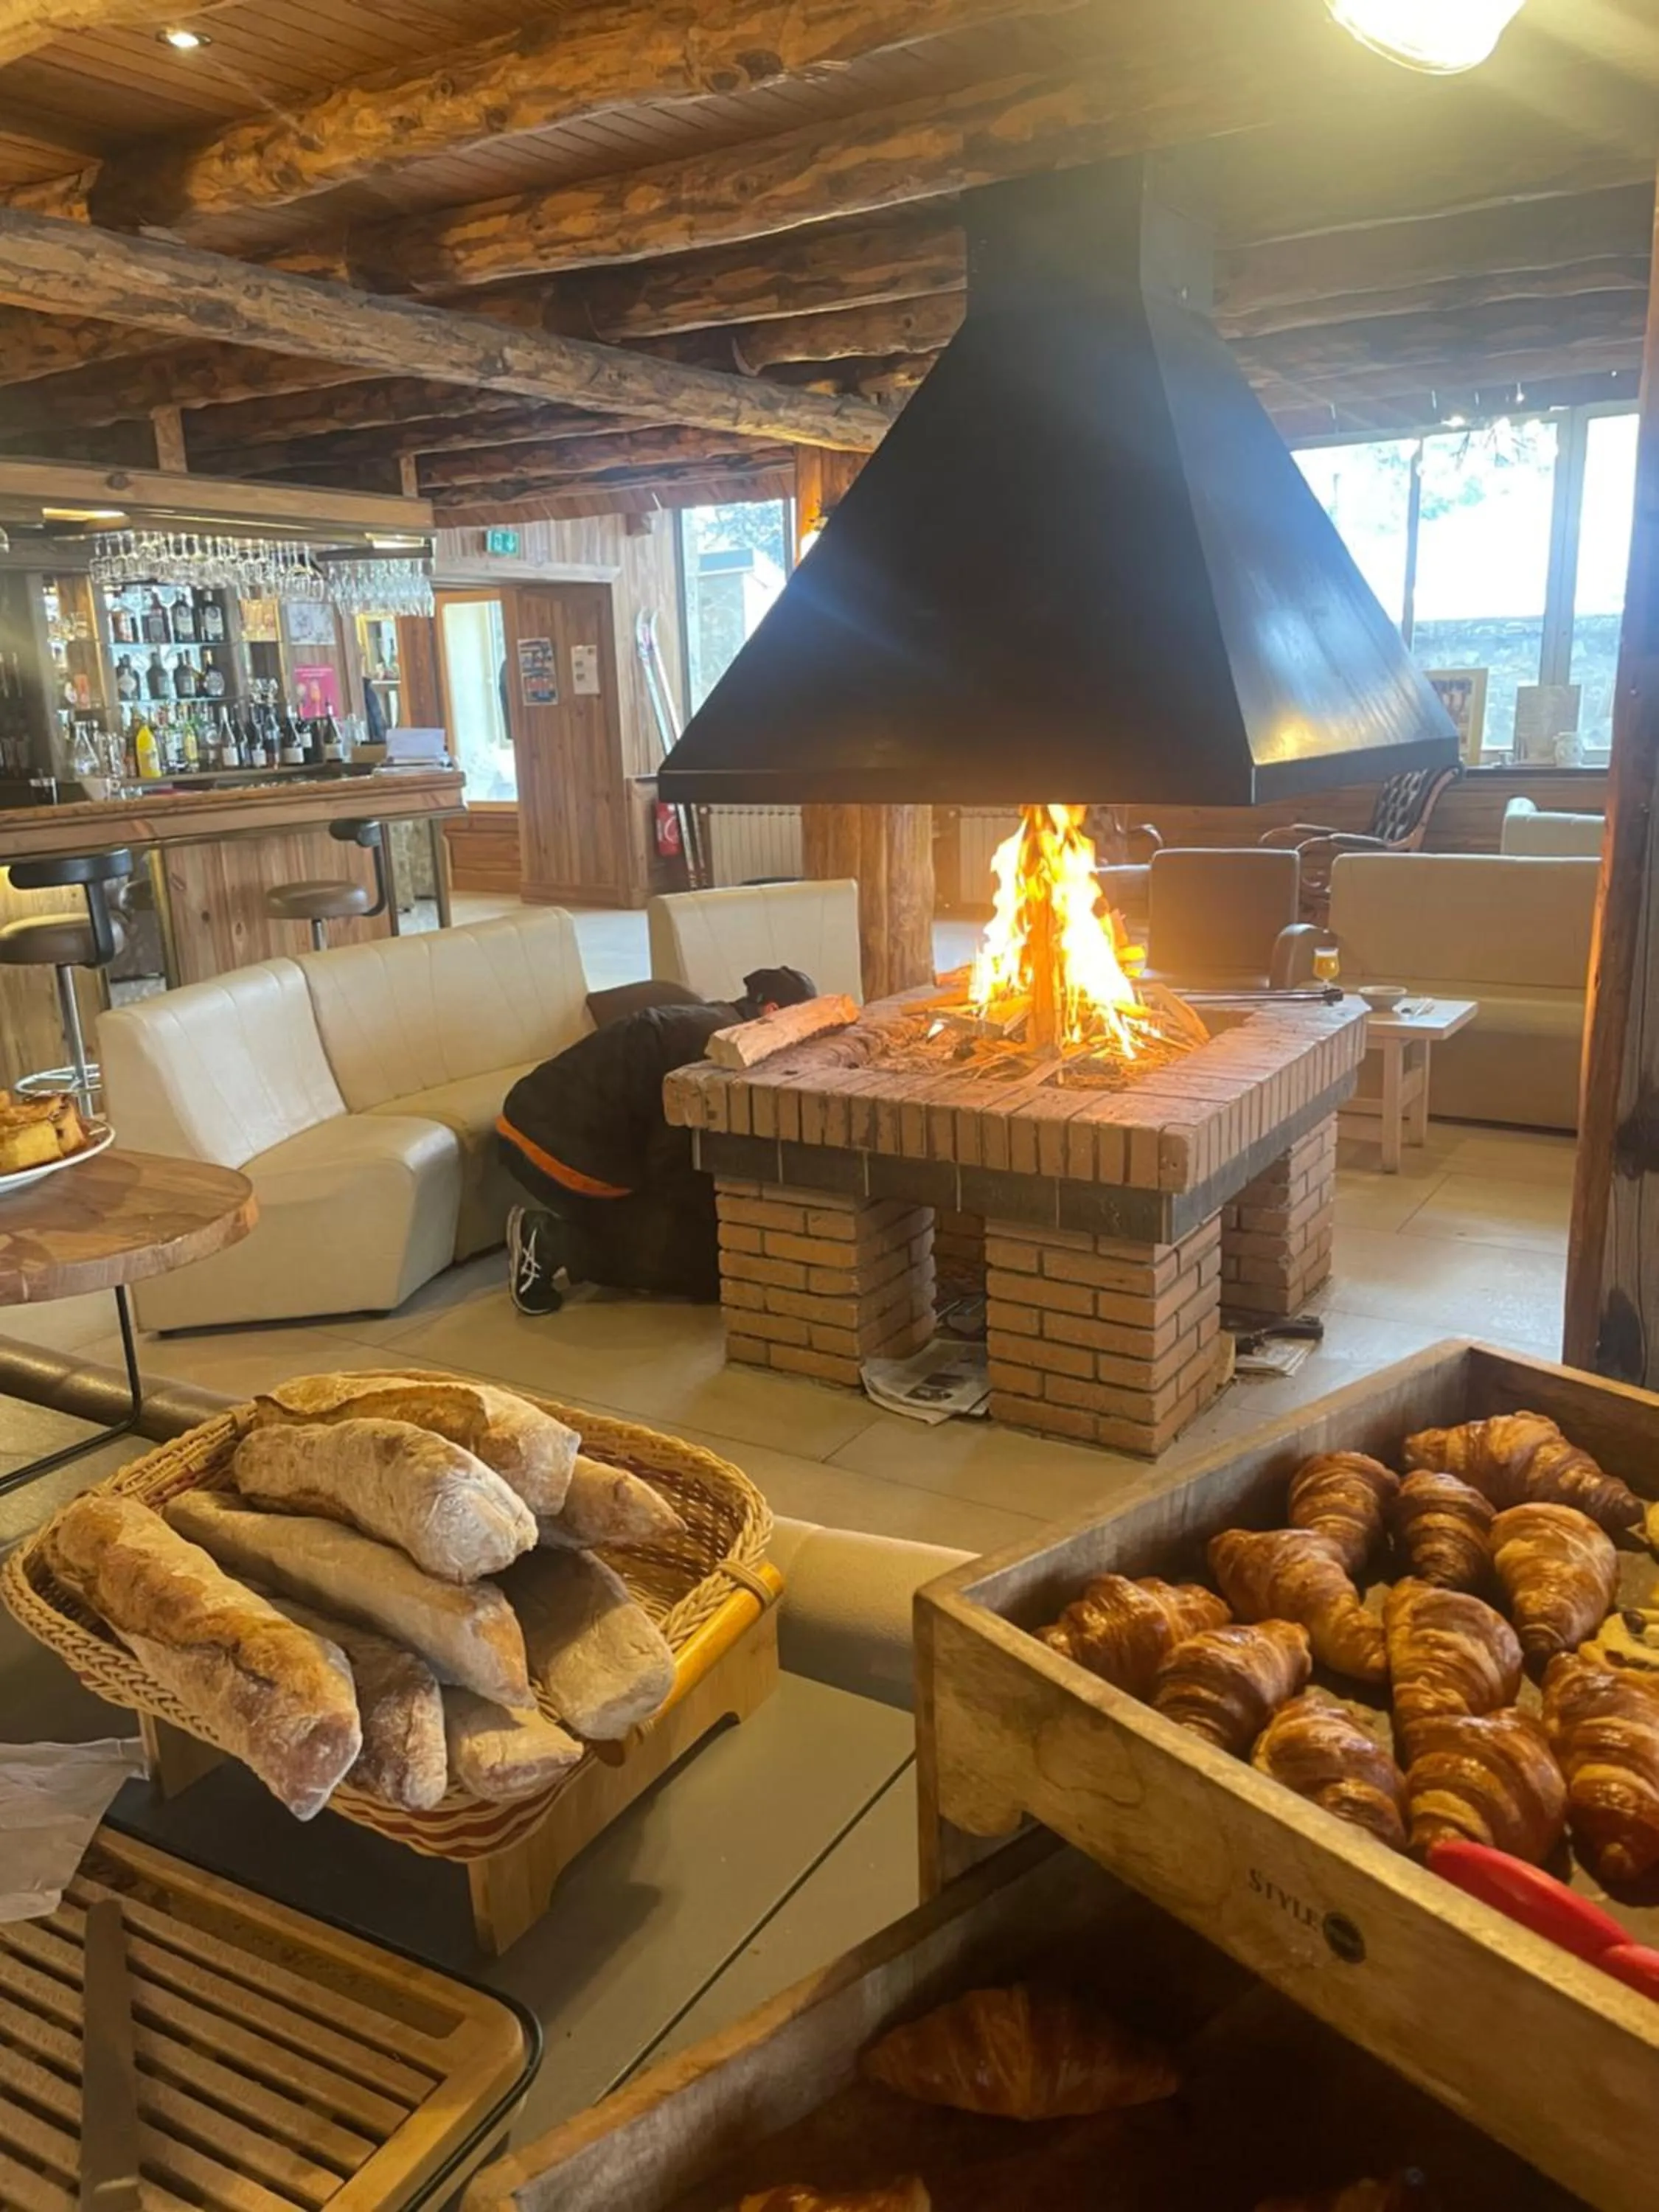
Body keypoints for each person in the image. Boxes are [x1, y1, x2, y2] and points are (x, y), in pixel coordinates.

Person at [497, 965, 817, 1315]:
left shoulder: (717, 1026)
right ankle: (549, 1243)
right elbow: (670, 1163)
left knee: (700, 1238)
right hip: (551, 1147)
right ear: (773, 1013)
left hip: (552, 1126)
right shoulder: (710, 1051)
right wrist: (726, 1219)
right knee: (708, 1264)